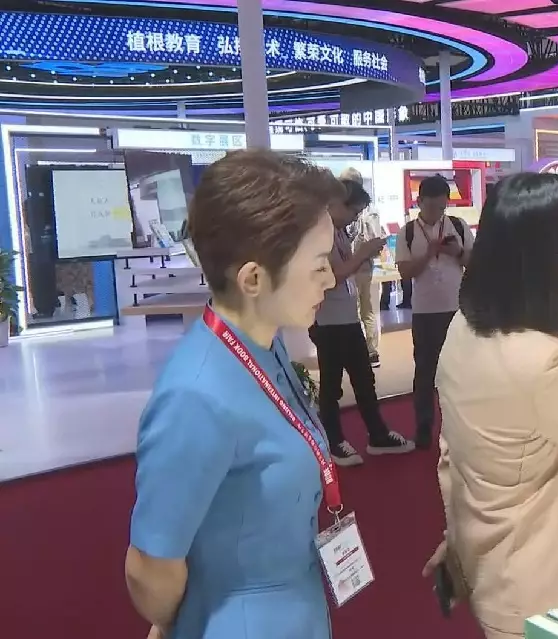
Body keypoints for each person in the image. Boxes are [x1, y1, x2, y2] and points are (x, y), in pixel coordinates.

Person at [125, 151, 343, 639]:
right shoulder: (195, 396)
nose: (331, 278)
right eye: (318, 265)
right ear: (253, 279)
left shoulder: (266, 346)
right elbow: (149, 567)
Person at [422, 172, 558, 639]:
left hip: (489, 562)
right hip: (550, 581)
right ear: (550, 255)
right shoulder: (547, 360)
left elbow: (451, 452)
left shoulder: (464, 328)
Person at [311, 178, 413, 465]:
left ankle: (377, 434)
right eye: (353, 211)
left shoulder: (340, 233)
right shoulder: (318, 236)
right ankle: (334, 441)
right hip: (327, 322)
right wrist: (362, 254)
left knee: (365, 380)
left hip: (347, 318)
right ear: (334, 204)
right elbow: (331, 277)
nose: (355, 218)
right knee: (331, 386)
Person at [396, 174, 474, 449]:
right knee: (425, 372)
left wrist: (457, 252)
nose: (437, 212)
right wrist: (429, 253)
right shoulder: (407, 232)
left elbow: (475, 263)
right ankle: (424, 426)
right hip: (425, 312)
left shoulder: (458, 226)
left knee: (459, 370)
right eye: (431, 206)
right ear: (419, 202)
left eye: (442, 207)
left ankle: (460, 424)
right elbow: (405, 272)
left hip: (457, 310)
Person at [341, 167, 385, 367]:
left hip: (359, 264)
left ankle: (366, 351)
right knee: (366, 308)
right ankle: (369, 351)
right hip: (360, 264)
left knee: (360, 308)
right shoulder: (369, 209)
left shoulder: (360, 209)